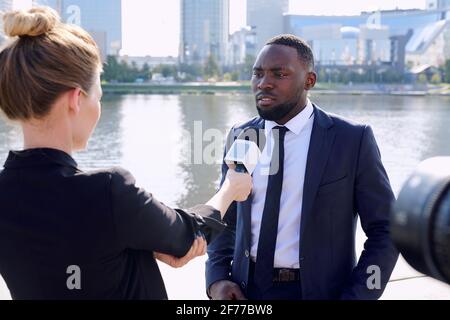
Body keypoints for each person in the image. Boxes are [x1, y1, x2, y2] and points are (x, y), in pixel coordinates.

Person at [0, 7, 253, 300]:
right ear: (75, 99)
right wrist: (230, 189)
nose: (99, 107)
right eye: (99, 96)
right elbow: (187, 236)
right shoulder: (108, 190)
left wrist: (138, 241)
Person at [206, 34, 399, 300]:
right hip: (245, 292)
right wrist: (217, 278)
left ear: (309, 81)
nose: (264, 83)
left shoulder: (351, 140)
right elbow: (224, 220)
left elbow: (386, 231)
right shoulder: (241, 135)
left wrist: (362, 294)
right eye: (258, 73)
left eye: (279, 74)